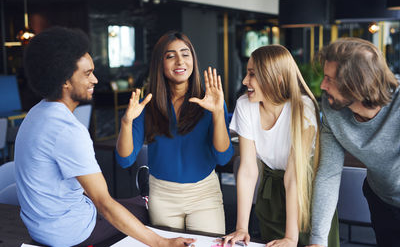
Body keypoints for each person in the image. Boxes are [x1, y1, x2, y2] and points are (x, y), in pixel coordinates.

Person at [14, 27, 195, 247]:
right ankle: (147, 199)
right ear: (64, 80)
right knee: (146, 209)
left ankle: (144, 197)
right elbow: (104, 204)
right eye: (87, 73)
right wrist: (163, 243)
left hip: (41, 228)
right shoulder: (68, 130)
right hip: (72, 234)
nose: (96, 80)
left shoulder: (36, 113)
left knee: (128, 203)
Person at [116, 31, 234, 234]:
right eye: (170, 56)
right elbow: (125, 160)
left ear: (193, 60)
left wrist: (217, 114)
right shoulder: (147, 103)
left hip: (203, 194)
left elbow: (223, 157)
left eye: (185, 54)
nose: (180, 61)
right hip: (162, 195)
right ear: (159, 63)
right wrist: (127, 122)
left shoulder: (211, 99)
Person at [224, 45, 339, 247]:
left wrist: (291, 238)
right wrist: (242, 228)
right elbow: (249, 169)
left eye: (252, 74)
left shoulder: (303, 108)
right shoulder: (244, 105)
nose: (244, 81)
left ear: (276, 77)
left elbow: (294, 175)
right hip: (270, 195)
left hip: (306, 195)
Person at [308, 37, 400, 247]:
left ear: (357, 84)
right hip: (381, 199)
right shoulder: (333, 107)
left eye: (330, 79)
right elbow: (328, 174)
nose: (323, 85)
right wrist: (318, 241)